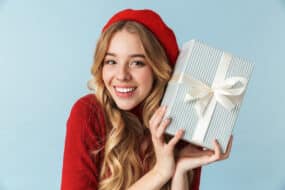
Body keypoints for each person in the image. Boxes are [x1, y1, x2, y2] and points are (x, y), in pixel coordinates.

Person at [61, 9, 233, 190]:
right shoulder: (88, 113)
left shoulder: (180, 121)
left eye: (137, 63)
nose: (121, 75)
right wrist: (160, 173)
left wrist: (180, 170)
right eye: (111, 61)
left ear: (157, 68)